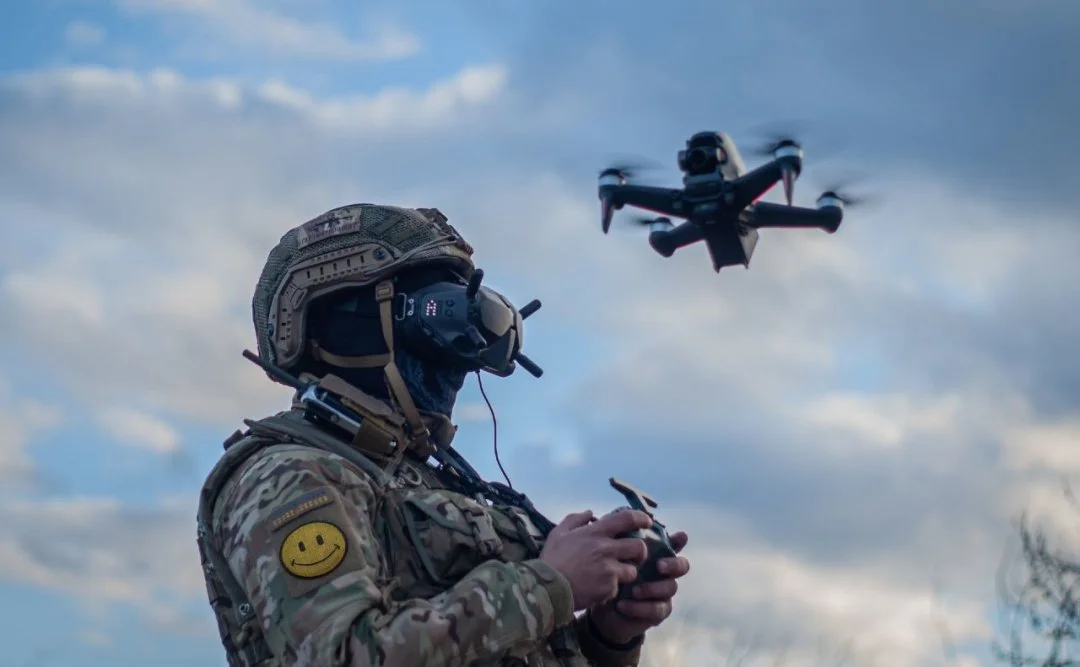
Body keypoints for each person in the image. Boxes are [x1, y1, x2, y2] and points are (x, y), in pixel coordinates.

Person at [195, 203, 691, 667]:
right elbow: (342, 654)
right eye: (446, 315)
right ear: (356, 325)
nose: (460, 358)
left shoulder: (425, 482)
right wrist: (551, 584)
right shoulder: (290, 474)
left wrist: (608, 635)